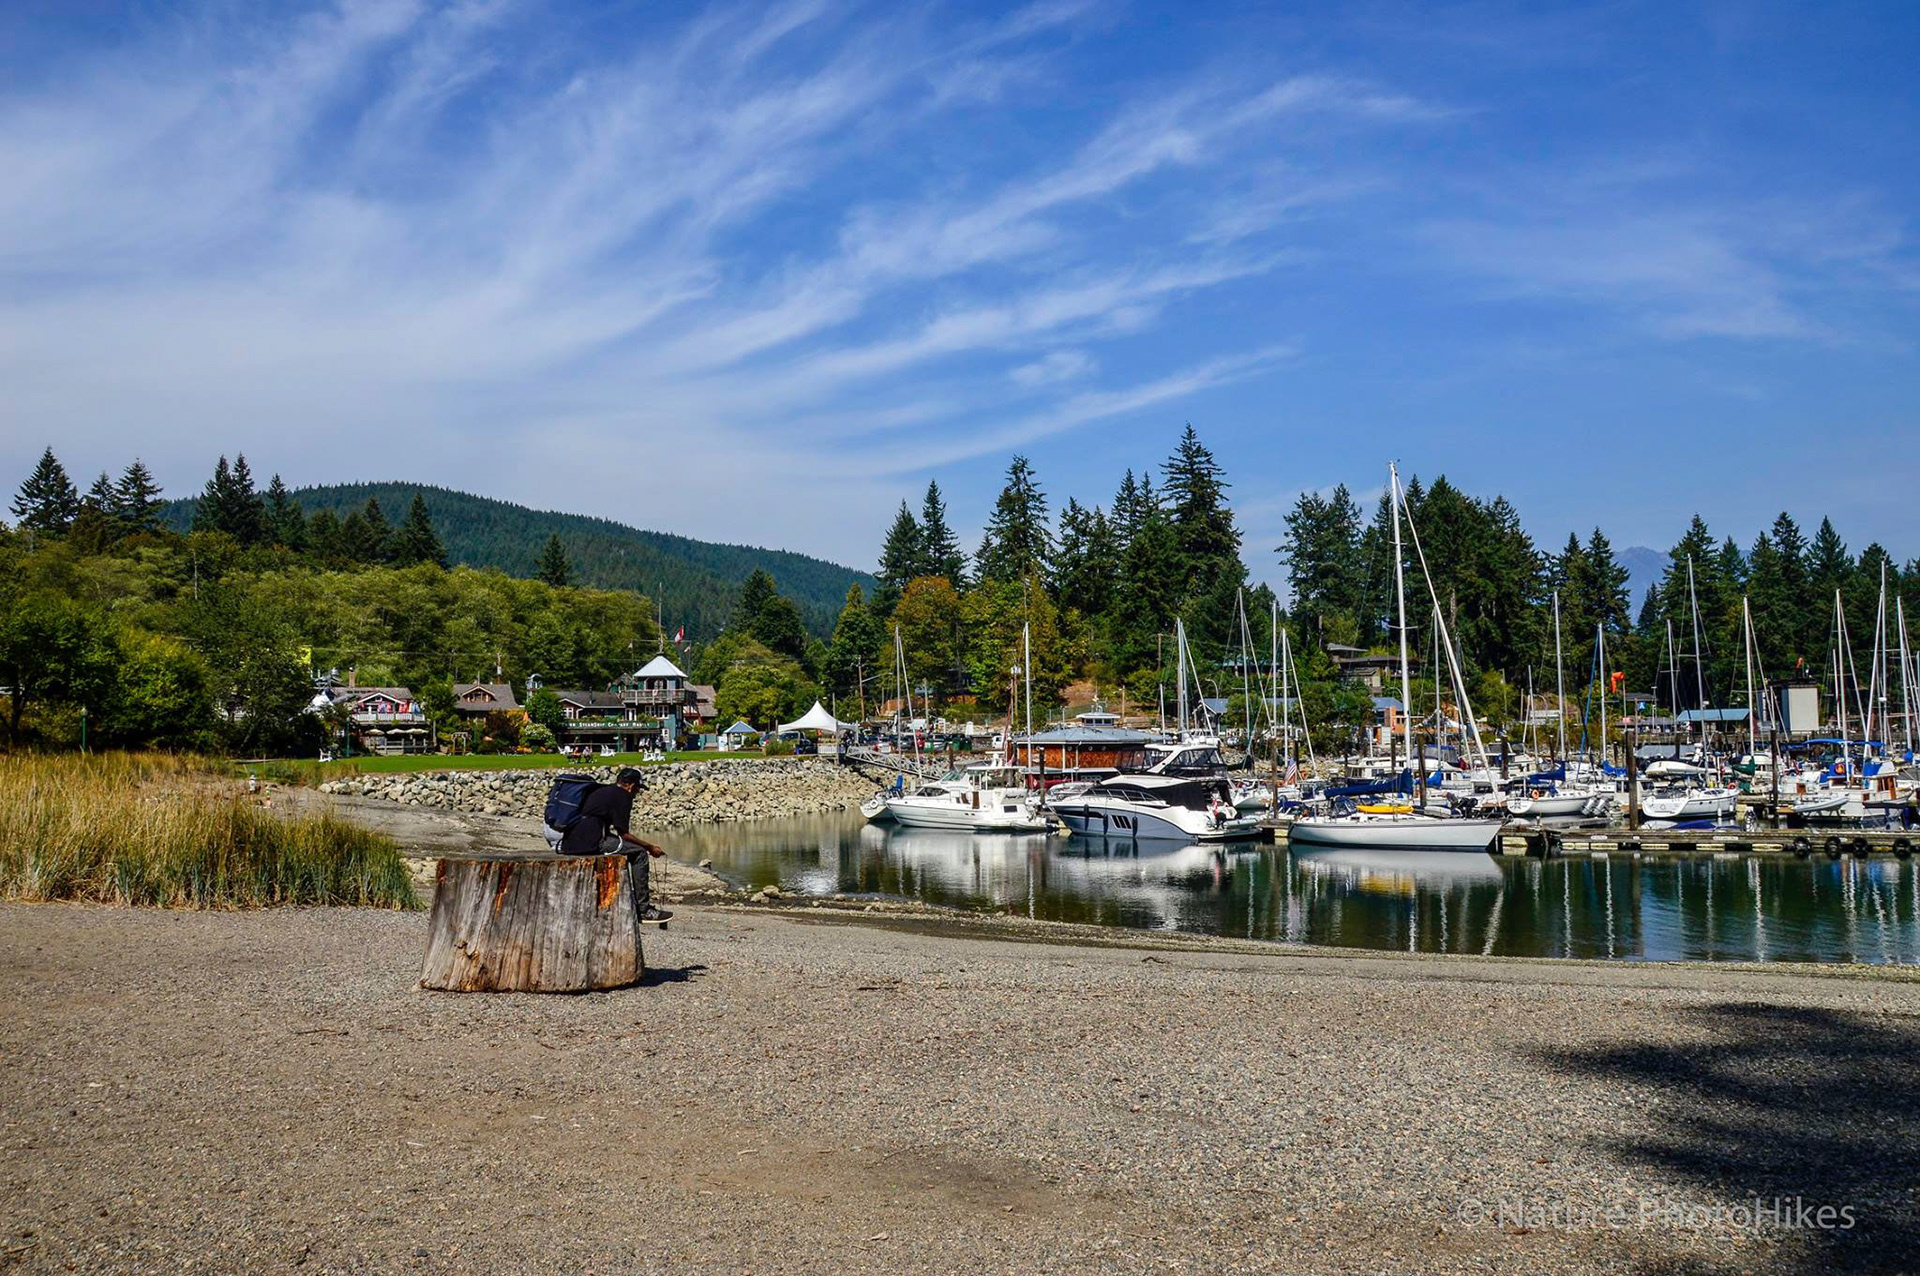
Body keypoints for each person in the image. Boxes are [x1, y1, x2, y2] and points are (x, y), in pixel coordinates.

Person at [559, 767, 671, 922]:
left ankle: (633, 903)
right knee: (639, 854)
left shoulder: (605, 791)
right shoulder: (623, 796)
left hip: (571, 841)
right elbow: (624, 834)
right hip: (591, 842)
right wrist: (649, 847)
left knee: (628, 848)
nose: (637, 793)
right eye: (637, 789)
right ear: (631, 786)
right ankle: (644, 910)